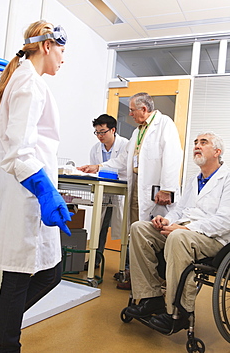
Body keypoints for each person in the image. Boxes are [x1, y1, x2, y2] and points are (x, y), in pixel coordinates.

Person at [0, 20, 72, 353]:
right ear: (47, 46)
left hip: (27, 194)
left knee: (43, 276)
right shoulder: (28, 83)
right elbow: (19, 151)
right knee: (21, 280)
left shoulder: (25, 79)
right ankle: (7, 344)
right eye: (62, 50)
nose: (64, 58)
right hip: (27, 195)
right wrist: (45, 191)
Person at [125, 132, 230, 335]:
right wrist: (167, 220)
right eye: (195, 143)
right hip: (184, 231)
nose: (197, 146)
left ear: (217, 152)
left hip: (214, 239)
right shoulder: (194, 180)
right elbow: (180, 210)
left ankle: (179, 312)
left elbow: (226, 220)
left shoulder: (227, 179)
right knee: (139, 228)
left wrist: (185, 229)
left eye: (203, 142)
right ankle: (151, 298)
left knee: (177, 237)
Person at [78, 92, 182, 287]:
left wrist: (167, 189)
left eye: (132, 110)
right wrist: (98, 167)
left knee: (156, 235)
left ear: (144, 109)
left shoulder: (164, 124)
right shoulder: (137, 132)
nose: (130, 114)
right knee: (136, 234)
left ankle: (158, 280)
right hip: (137, 189)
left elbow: (173, 155)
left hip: (156, 192)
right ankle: (138, 279)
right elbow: (122, 160)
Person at [84, 114, 128, 270]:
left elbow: (123, 167)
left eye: (103, 132)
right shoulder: (95, 149)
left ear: (113, 130)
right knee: (99, 227)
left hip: (121, 192)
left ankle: (126, 265)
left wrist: (100, 167)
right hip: (104, 192)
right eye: (97, 132)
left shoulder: (125, 145)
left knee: (125, 231)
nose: (100, 136)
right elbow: (95, 171)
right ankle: (94, 260)